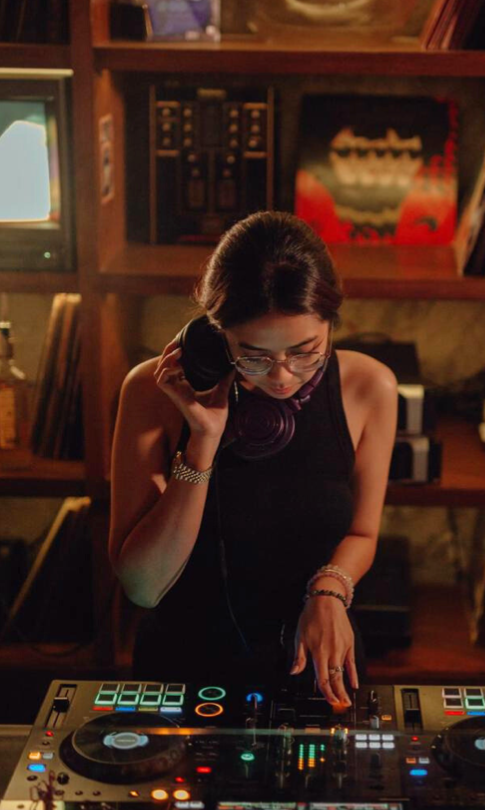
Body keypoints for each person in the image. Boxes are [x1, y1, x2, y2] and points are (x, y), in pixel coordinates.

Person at [108, 211, 398, 708]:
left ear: (331, 321)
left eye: (307, 351)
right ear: (215, 335)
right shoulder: (150, 392)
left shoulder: (369, 388)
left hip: (319, 655)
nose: (283, 377)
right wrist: (202, 437)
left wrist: (329, 592)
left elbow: (362, 533)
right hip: (182, 667)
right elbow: (144, 586)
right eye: (255, 356)